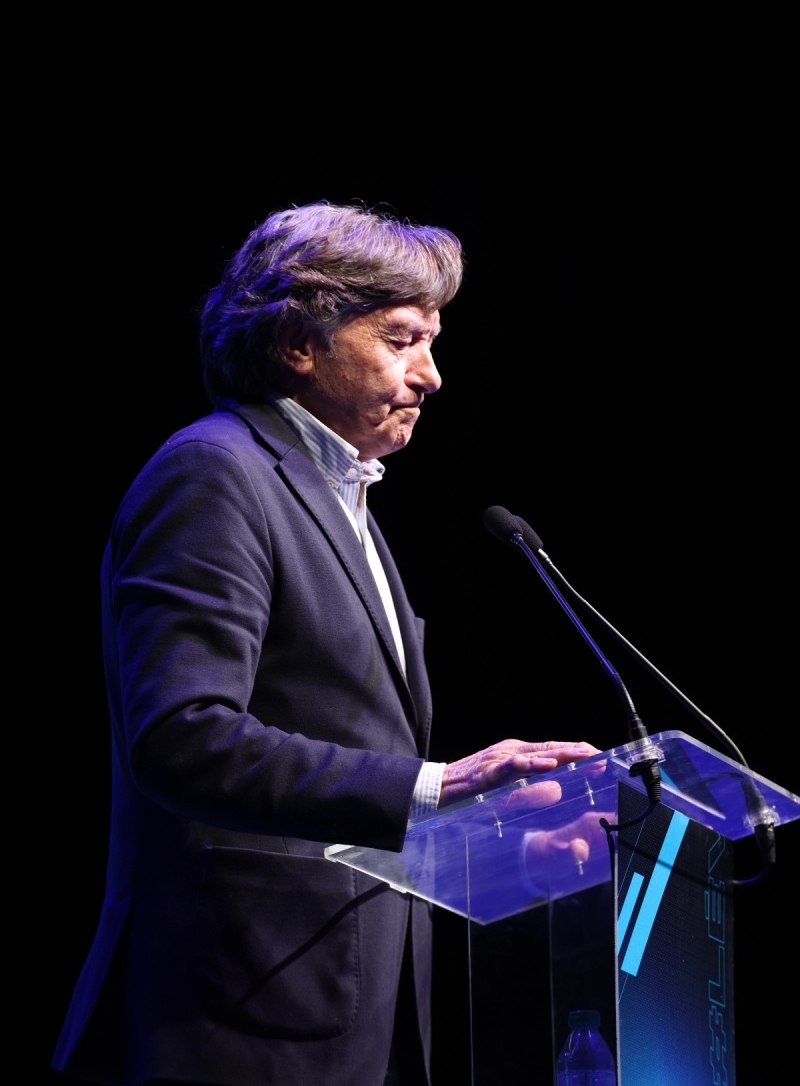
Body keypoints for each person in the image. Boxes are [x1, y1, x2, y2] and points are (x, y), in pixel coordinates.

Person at [53, 203, 597, 1085]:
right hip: (237, 1016)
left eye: (433, 342)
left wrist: (505, 852)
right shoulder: (215, 472)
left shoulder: (344, 502)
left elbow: (344, 781)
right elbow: (183, 737)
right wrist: (440, 783)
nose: (432, 376)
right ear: (298, 342)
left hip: (353, 1013)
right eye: (402, 340)